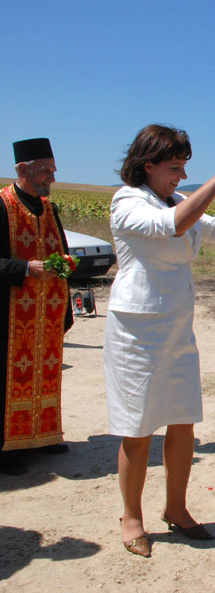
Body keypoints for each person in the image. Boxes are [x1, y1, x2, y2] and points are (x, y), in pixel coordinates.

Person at [105, 124, 215, 557]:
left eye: (184, 167)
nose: (182, 176)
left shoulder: (179, 200)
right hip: (137, 333)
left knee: (182, 421)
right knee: (138, 427)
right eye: (174, 167)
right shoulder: (127, 200)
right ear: (148, 165)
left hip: (178, 329)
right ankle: (131, 517)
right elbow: (173, 226)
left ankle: (176, 508)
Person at [0, 138, 73, 476]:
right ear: (22, 169)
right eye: (45, 171)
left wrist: (65, 273)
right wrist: (27, 268)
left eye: (53, 170)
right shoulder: (3, 205)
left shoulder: (49, 208)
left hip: (48, 313)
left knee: (47, 374)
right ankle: (5, 448)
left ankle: (42, 436)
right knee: (7, 380)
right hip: (10, 313)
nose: (52, 178)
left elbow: (62, 252)